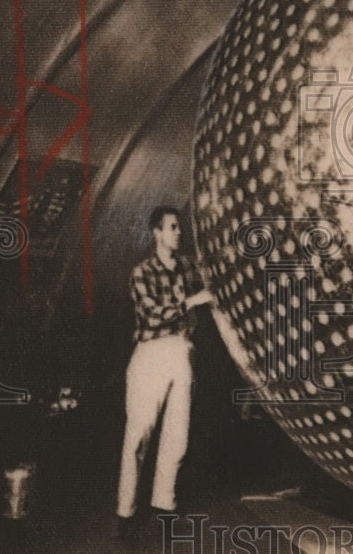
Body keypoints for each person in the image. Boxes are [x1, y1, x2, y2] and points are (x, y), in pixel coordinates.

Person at [116, 206, 213, 538]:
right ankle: (126, 513)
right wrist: (192, 301)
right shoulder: (141, 272)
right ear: (156, 232)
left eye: (179, 227)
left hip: (182, 352)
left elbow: (213, 275)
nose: (178, 233)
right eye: (172, 227)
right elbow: (153, 315)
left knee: (178, 437)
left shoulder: (188, 267)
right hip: (151, 355)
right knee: (139, 436)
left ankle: (164, 505)